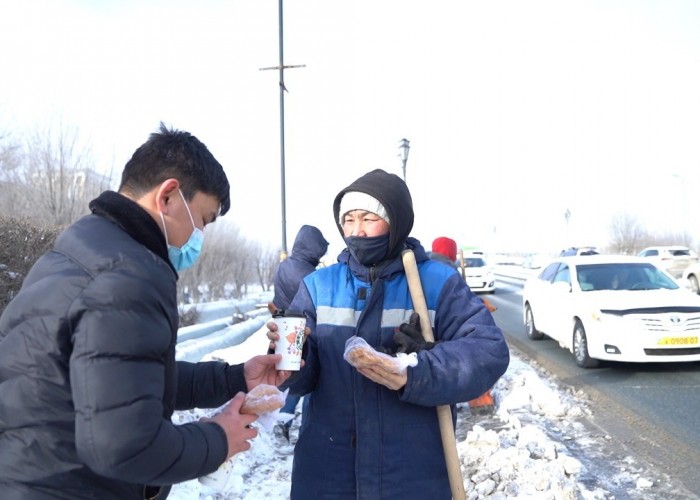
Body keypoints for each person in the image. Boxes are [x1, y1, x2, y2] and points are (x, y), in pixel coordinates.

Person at [0, 124, 296, 499]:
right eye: (203, 220)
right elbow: (124, 445)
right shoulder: (129, 276)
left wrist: (235, 379)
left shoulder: (76, 252)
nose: (199, 236)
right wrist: (219, 438)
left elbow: (125, 377)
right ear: (169, 196)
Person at [267, 168, 510, 499]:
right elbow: (302, 380)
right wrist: (293, 354)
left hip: (411, 476)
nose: (357, 231)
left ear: (395, 221)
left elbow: (489, 351)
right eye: (349, 220)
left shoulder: (436, 283)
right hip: (328, 476)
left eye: (368, 218)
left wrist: (416, 371)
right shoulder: (318, 287)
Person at [271, 224, 329, 441]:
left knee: (292, 375)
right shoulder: (310, 275)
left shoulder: (284, 266)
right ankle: (303, 424)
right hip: (306, 329)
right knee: (310, 377)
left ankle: (283, 419)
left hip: (285, 326)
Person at [430, 236, 497, 414]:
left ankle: (448, 400)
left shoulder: (425, 267)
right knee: (465, 358)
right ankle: (470, 400)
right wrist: (481, 304)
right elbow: (461, 300)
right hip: (448, 324)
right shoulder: (449, 271)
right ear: (450, 252)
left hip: (429, 325)